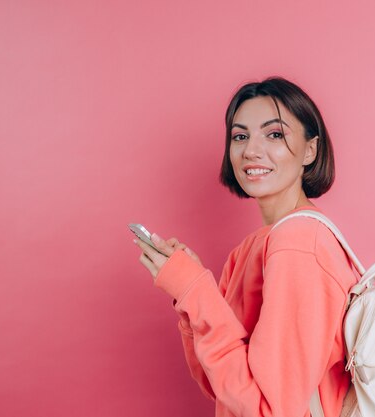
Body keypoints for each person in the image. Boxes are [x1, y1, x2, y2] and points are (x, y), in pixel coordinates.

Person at [133, 76, 360, 416]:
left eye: (274, 134)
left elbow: (268, 412)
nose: (251, 150)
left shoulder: (297, 245)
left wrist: (196, 290)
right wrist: (190, 293)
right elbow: (221, 386)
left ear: (310, 150)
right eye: (240, 136)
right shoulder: (252, 249)